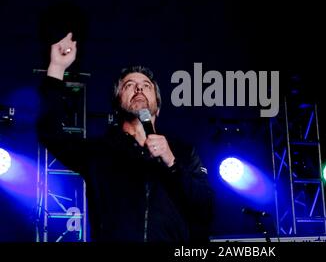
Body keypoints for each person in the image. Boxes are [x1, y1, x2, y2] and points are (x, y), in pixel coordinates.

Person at [37, 32, 214, 242]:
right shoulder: (100, 152)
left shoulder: (182, 152)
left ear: (158, 106)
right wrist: (56, 68)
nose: (139, 87)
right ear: (118, 102)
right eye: (129, 85)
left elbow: (205, 208)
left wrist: (172, 163)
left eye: (146, 86)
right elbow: (51, 133)